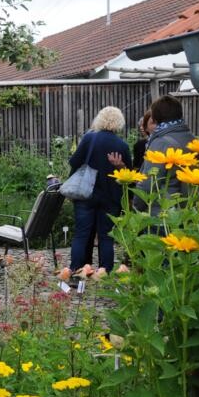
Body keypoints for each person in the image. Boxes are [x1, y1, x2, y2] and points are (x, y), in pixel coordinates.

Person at [68, 106, 131, 273]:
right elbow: (129, 174)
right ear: (119, 122)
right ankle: (105, 272)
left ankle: (77, 269)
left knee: (81, 235)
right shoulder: (122, 145)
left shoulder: (89, 138)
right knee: (106, 236)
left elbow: (74, 162)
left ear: (99, 119)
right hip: (111, 197)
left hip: (85, 194)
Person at [133, 95, 195, 215]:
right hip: (189, 212)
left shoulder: (161, 142)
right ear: (180, 114)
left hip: (163, 214)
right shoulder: (192, 139)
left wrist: (136, 207)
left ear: (155, 118)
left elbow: (148, 184)